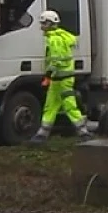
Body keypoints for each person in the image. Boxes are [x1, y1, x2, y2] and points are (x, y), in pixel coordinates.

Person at [30, 10, 93, 144]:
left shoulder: (55, 39)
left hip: (62, 79)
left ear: (50, 24)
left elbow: (57, 60)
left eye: (43, 23)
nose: (41, 26)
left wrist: (48, 74)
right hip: (59, 79)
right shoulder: (57, 37)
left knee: (69, 105)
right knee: (50, 106)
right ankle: (42, 134)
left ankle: (83, 132)